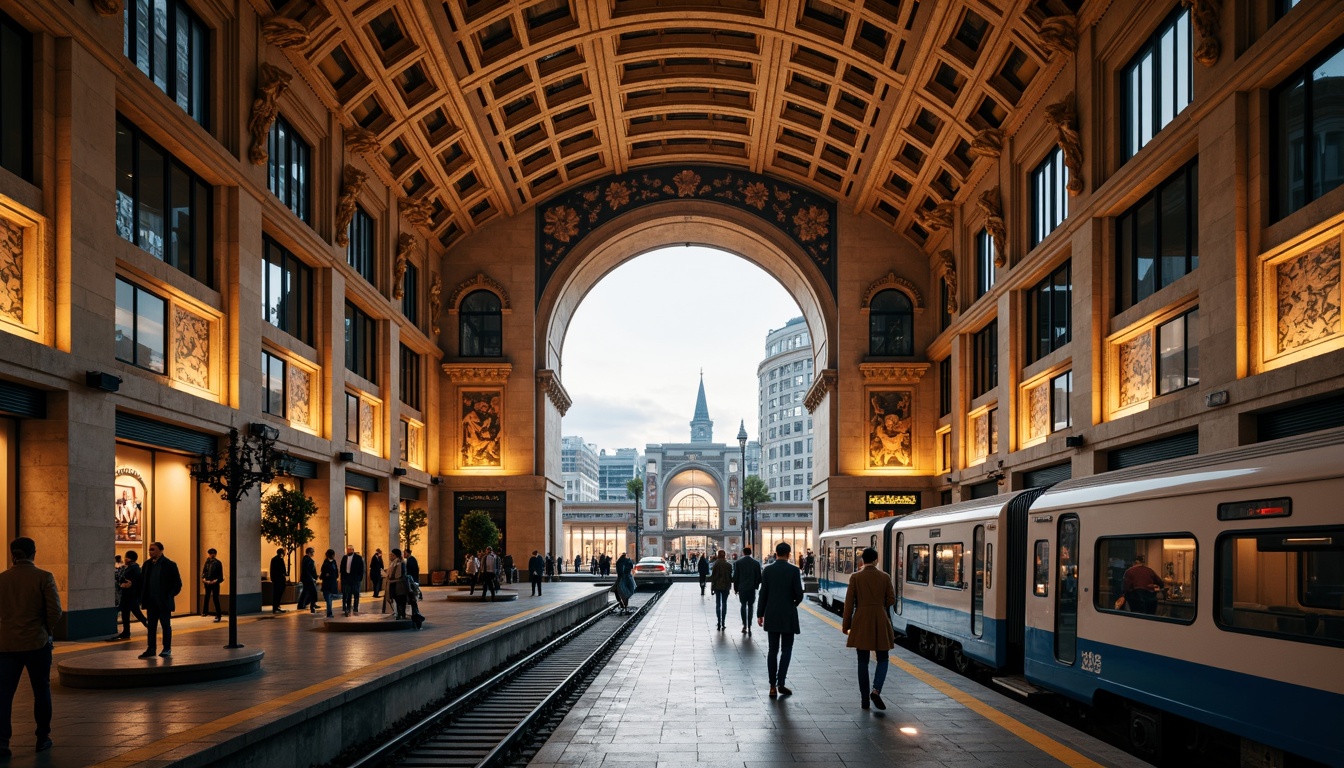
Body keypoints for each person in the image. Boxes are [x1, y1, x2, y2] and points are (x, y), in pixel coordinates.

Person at [0, 537, 63, 756]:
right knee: (41, 690)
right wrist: (45, 630)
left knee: (4, 694)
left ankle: (3, 742)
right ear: (33, 553)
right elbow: (55, 611)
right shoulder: (43, 577)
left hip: (6, 646)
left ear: (13, 555)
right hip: (37, 643)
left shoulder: (2, 579)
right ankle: (42, 737)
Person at [842, 547, 896, 711]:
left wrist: (846, 625)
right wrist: (879, 606)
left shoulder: (855, 577)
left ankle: (864, 700)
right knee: (883, 658)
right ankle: (876, 690)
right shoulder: (885, 577)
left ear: (862, 561)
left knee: (862, 661)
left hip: (861, 620)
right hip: (880, 618)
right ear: (876, 560)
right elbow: (891, 599)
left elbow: (849, 603)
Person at [757, 541, 803, 698]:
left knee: (772, 650)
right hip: (788, 614)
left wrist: (760, 614)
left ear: (776, 553)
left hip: (772, 614)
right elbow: (799, 594)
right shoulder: (794, 571)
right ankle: (781, 682)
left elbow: (763, 593)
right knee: (787, 650)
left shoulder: (768, 570)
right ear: (789, 554)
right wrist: (792, 604)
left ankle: (772, 686)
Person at [139, 541, 182, 659]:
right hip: (151, 602)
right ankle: (151, 648)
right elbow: (142, 582)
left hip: (163, 602)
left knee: (165, 625)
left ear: (160, 550)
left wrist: (169, 595)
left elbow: (177, 583)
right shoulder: (147, 564)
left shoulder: (169, 565)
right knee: (151, 626)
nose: (150, 551)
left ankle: (166, 648)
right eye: (149, 549)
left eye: (153, 549)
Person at [109, 550, 148, 640]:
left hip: (131, 594)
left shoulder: (134, 569)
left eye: (127, 557)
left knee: (134, 612)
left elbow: (131, 582)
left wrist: (125, 583)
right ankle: (126, 631)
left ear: (131, 559)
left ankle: (146, 625)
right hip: (127, 595)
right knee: (127, 613)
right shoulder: (129, 567)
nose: (125, 559)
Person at [732, 546, 763, 635]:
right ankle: (749, 625)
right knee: (750, 606)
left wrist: (736, 588)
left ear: (743, 553)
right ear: (751, 553)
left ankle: (744, 625)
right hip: (751, 588)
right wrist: (756, 586)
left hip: (742, 588)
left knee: (743, 605)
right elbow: (759, 577)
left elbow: (736, 577)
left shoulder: (738, 563)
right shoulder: (756, 563)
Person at [709, 550, 733, 630]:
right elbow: (730, 577)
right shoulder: (729, 565)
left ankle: (719, 621)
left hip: (717, 587)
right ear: (725, 555)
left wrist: (712, 588)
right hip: (726, 587)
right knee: (724, 603)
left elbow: (714, 577)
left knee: (718, 604)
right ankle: (723, 622)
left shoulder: (716, 564)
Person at [341, 545, 365, 616]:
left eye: (349, 550)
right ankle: (348, 608)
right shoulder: (344, 558)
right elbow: (342, 568)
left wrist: (359, 578)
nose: (348, 551)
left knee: (356, 594)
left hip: (355, 579)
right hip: (347, 579)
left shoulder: (358, 558)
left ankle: (355, 608)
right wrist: (343, 578)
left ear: (352, 550)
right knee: (348, 594)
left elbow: (361, 569)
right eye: (347, 550)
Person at [200, 548, 222, 622]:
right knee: (207, 597)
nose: (211, 555)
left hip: (214, 583)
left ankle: (218, 614)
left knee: (215, 598)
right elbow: (204, 572)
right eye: (210, 554)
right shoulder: (207, 562)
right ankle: (205, 611)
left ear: (215, 554)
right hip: (208, 582)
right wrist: (204, 579)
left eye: (213, 554)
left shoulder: (218, 563)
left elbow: (220, 576)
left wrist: (216, 580)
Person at [386, 549, 407, 619]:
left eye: (391, 555)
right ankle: (399, 614)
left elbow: (399, 575)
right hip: (394, 585)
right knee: (397, 600)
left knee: (401, 600)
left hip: (399, 585)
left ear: (395, 556)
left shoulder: (400, 563)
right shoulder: (393, 563)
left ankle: (402, 614)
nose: (390, 556)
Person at [298, 547, 319, 614]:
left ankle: (303, 604)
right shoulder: (307, 559)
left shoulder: (307, 559)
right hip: (308, 579)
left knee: (307, 591)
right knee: (313, 592)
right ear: (310, 552)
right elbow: (307, 570)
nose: (313, 553)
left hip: (308, 578)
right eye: (312, 552)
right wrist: (312, 578)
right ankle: (311, 604)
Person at [319, 549, 340, 618]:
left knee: (329, 598)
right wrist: (326, 575)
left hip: (332, 583)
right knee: (328, 598)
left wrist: (336, 576)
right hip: (327, 583)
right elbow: (323, 573)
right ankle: (329, 612)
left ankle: (329, 612)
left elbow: (336, 571)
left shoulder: (333, 562)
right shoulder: (326, 563)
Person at [269, 547, 288, 614]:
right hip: (280, 579)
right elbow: (283, 570)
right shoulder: (280, 560)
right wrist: (285, 574)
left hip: (275, 579)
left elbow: (271, 570)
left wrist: (272, 578)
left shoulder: (273, 559)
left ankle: (275, 607)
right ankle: (277, 607)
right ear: (282, 553)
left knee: (275, 594)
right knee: (278, 594)